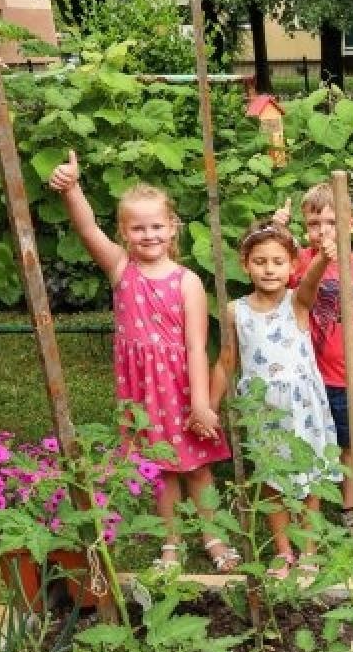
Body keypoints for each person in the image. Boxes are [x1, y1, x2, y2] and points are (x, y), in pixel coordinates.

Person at [46, 150, 237, 572]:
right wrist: (73, 188)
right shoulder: (121, 269)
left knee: (198, 468)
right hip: (142, 392)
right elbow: (86, 227)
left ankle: (213, 536)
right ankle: (170, 543)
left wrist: (203, 404)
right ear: (124, 233)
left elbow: (196, 347)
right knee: (162, 470)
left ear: (172, 229)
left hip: (183, 389)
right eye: (138, 228)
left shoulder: (187, 281)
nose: (148, 234)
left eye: (156, 226)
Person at [211, 221, 339, 580]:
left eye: (278, 262)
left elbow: (311, 283)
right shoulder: (236, 311)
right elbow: (226, 360)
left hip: (302, 407)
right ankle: (284, 551)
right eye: (260, 261)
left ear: (293, 265)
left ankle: (309, 548)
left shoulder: (297, 303)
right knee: (270, 479)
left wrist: (322, 260)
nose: (269, 269)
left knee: (311, 475)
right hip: (261, 409)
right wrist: (209, 406)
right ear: (244, 263)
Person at [283, 183, 353, 529]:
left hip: (348, 378)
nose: (323, 231)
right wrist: (280, 231)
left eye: (332, 222)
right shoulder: (299, 263)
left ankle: (350, 507)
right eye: (314, 223)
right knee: (308, 441)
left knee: (349, 444)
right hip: (307, 377)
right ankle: (306, 505)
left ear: (352, 224)